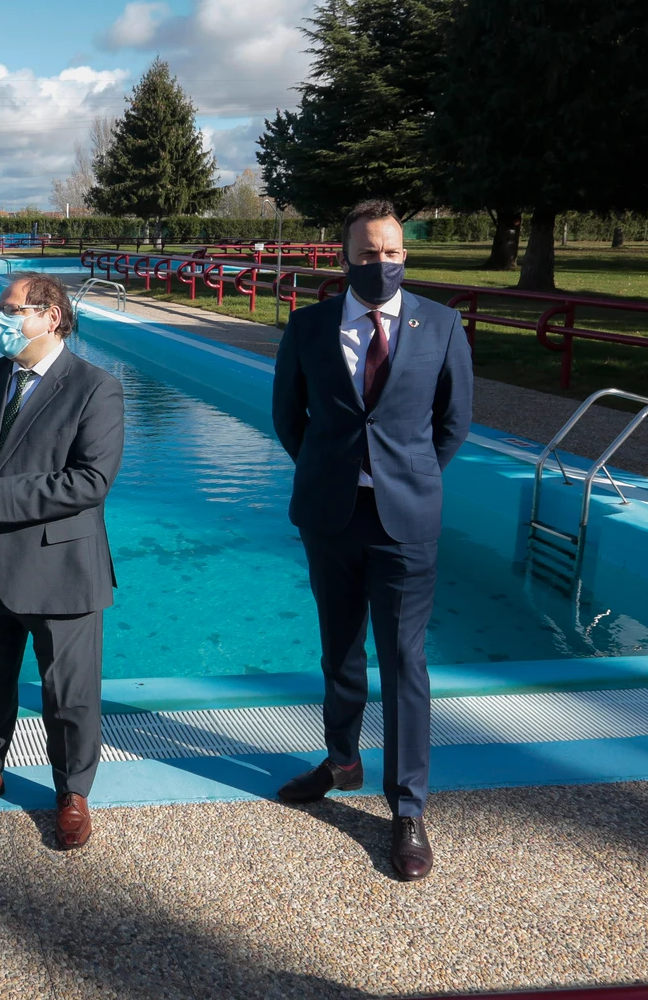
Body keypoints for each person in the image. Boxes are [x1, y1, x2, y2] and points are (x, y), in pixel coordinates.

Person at [270, 198, 473, 880]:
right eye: (367, 253)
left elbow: (453, 423)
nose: (380, 263)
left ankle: (408, 806)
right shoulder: (307, 326)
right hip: (330, 515)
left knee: (405, 662)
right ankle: (340, 758)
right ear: (343, 257)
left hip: (405, 521)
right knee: (339, 650)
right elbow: (287, 419)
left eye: (391, 252)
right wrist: (336, 474)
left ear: (404, 254)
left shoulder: (441, 325)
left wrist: (403, 478)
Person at [0, 272, 125, 850]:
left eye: (10, 311)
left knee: (69, 692)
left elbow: (90, 481)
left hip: (60, 568)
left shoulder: (94, 388)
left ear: (50, 315)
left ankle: (72, 792)